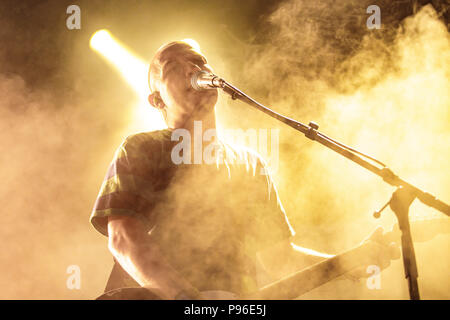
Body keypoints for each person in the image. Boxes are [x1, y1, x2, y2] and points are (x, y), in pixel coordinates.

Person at [90, 40, 397, 300]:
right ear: (157, 100)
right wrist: (189, 300)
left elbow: (280, 257)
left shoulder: (250, 165)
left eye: (199, 62)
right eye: (173, 68)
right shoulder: (142, 148)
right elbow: (122, 238)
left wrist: (348, 262)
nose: (193, 70)